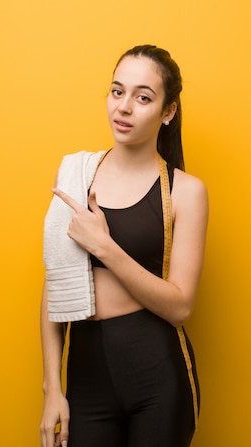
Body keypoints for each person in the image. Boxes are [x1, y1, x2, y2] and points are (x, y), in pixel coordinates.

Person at [40, 44, 209, 447]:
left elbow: (180, 306)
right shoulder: (76, 174)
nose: (125, 107)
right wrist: (52, 389)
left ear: (168, 112)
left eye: (143, 97)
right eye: (117, 92)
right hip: (85, 376)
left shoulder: (186, 192)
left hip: (158, 381)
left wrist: (104, 246)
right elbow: (55, 287)